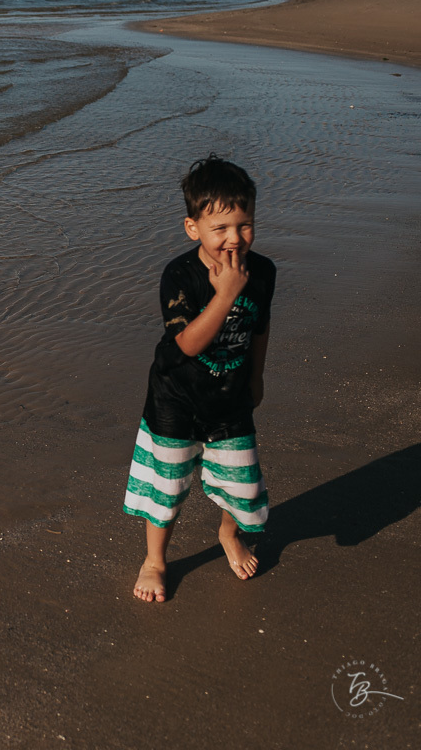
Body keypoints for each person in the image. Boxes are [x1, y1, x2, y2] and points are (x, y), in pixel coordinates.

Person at [123, 155, 276, 603]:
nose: (234, 239)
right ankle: (155, 560)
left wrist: (258, 376)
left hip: (230, 398)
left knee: (244, 489)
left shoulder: (262, 271)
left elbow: (261, 327)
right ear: (193, 228)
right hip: (176, 399)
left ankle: (229, 534)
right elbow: (187, 344)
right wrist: (226, 292)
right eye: (220, 229)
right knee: (166, 489)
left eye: (244, 225)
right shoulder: (180, 275)